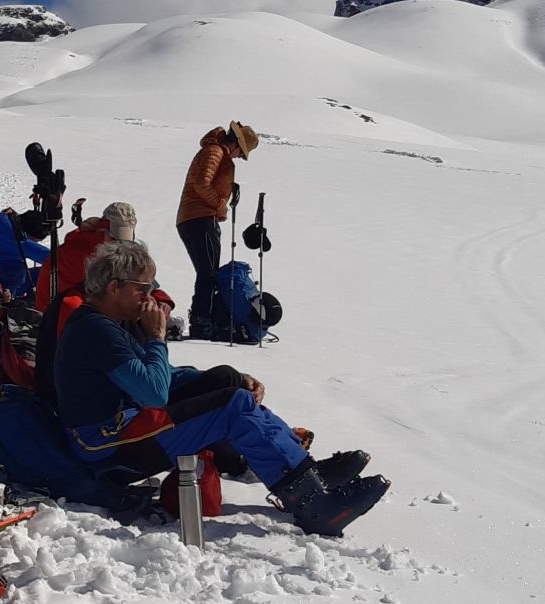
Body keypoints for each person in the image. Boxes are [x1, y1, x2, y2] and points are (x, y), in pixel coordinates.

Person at [53, 240, 389, 535]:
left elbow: (160, 375)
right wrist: (156, 337)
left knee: (227, 382)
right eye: (143, 288)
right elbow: (153, 393)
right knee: (232, 405)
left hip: (121, 428)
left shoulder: (104, 324)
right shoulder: (97, 331)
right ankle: (315, 506)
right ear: (114, 287)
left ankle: (306, 471)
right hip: (107, 445)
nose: (149, 297)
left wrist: (225, 378)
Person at [176, 122, 258, 338]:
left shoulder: (214, 150)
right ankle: (202, 321)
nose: (239, 157)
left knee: (206, 272)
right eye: (241, 153)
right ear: (237, 145)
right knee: (208, 273)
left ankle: (203, 319)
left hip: (193, 217)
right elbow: (202, 184)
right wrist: (220, 204)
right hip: (200, 217)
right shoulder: (215, 151)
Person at [44, 200, 137, 307]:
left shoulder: (96, 244)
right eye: (114, 239)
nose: (119, 245)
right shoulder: (87, 254)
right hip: (55, 310)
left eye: (124, 241)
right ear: (101, 230)